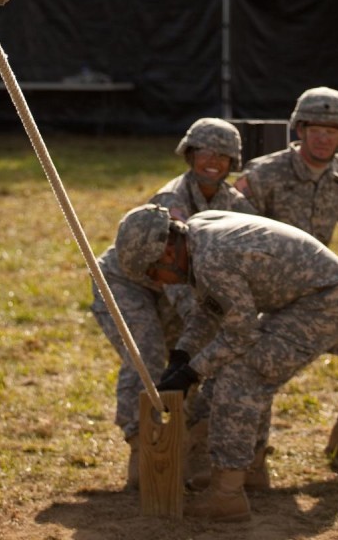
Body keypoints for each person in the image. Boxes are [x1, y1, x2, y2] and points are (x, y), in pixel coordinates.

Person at [114, 204, 338, 522]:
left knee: (241, 377)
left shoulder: (211, 260)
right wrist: (182, 355)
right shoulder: (198, 234)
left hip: (327, 301)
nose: (159, 283)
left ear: (167, 255)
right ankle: (251, 470)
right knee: (228, 372)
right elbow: (212, 308)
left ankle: (227, 495)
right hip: (305, 298)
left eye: (152, 273)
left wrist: (191, 373)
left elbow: (240, 335)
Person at [234, 85, 338, 459]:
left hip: (323, 300)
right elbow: (235, 242)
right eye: (316, 130)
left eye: (333, 131)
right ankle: (246, 455)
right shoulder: (264, 175)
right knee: (256, 369)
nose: (324, 138)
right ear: (299, 130)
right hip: (270, 303)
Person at [90, 118, 256, 489]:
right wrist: (209, 327)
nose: (213, 161)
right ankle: (143, 450)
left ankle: (189, 449)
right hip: (128, 284)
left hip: (182, 293)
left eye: (223, 155)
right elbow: (178, 281)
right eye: (205, 152)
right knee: (146, 356)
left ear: (234, 162)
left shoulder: (240, 206)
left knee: (194, 365)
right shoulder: (171, 202)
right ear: (190, 154)